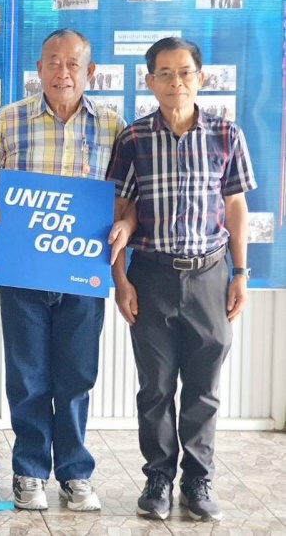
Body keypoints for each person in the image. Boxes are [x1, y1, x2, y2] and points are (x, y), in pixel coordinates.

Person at [0, 29, 131, 512]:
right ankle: (30, 471)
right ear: (38, 69)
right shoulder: (9, 119)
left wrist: (124, 223)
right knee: (28, 376)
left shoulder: (112, 126)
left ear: (90, 71)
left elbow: (125, 198)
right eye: (53, 63)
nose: (63, 72)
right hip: (24, 269)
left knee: (77, 376)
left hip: (83, 273)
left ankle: (76, 474)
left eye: (73, 64)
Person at [106, 37, 256, 523]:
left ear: (201, 78)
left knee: (203, 387)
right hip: (151, 275)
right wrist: (120, 280)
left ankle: (198, 480)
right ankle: (157, 479)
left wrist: (241, 273)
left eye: (185, 72)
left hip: (210, 274)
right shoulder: (133, 139)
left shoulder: (226, 135)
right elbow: (120, 211)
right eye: (165, 74)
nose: (176, 82)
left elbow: (235, 206)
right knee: (155, 387)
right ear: (150, 82)